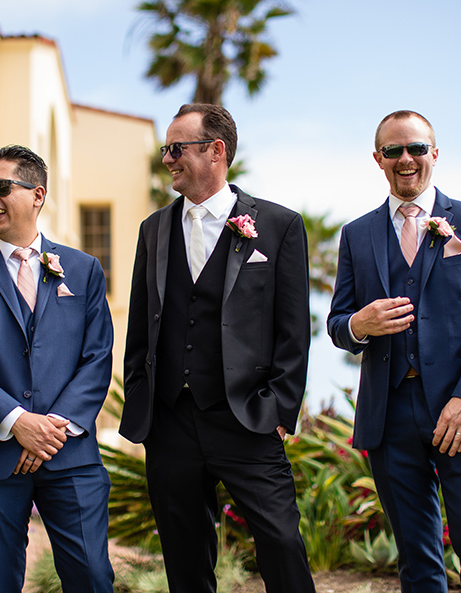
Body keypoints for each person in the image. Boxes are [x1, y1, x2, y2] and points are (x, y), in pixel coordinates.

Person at [119, 103, 316, 593]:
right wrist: (144, 395)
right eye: (165, 149)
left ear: (216, 151)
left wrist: (278, 407)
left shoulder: (278, 225)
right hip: (170, 422)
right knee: (185, 560)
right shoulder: (153, 229)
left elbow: (294, 330)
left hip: (247, 417)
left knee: (282, 543)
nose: (166, 159)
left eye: (176, 148)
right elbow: (141, 325)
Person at [327, 111, 461, 593]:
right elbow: (337, 323)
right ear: (378, 159)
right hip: (388, 412)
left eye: (415, 148)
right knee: (415, 551)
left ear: (435, 153)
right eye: (393, 151)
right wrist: (358, 324)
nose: (405, 159)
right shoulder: (357, 234)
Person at [0, 145, 115, 593]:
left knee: (92, 576)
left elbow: (97, 357)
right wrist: (16, 422)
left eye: (0, 187)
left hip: (67, 453)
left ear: (37, 195)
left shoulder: (83, 269)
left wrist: (50, 428)